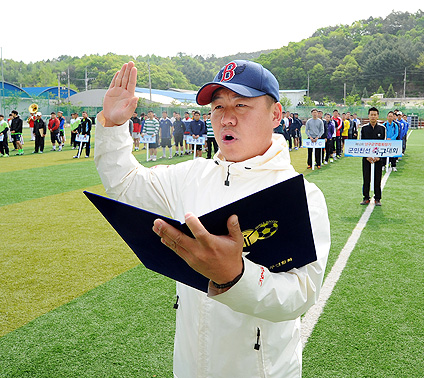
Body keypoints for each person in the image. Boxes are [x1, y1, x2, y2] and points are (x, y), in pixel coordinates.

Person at [94, 60, 330, 378]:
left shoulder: (301, 195)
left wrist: (235, 276)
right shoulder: (192, 175)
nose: (227, 118)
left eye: (241, 105)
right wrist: (113, 124)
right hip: (189, 366)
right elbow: (125, 184)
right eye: (218, 106)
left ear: (275, 115)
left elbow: (301, 294)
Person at [360, 107, 386, 206]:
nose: (373, 116)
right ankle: (366, 197)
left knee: (377, 178)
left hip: (378, 158)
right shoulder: (364, 128)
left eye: (375, 115)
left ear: (378, 116)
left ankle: (377, 198)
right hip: (366, 158)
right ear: (368, 116)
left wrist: (379, 157)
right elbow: (361, 143)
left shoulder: (382, 128)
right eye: (371, 114)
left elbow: (384, 144)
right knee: (366, 178)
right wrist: (367, 156)